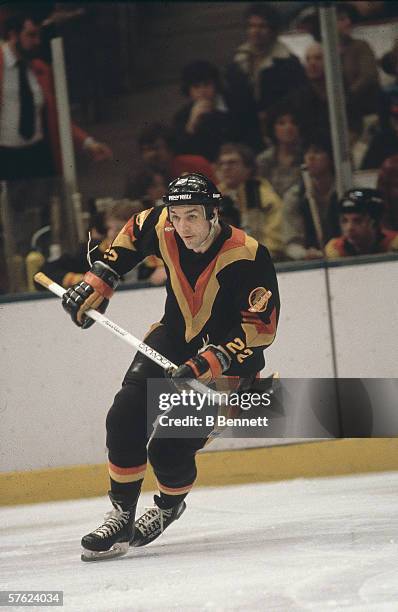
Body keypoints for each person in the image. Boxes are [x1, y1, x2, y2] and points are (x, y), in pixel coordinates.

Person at [61, 172, 280, 561]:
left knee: (168, 451)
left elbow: (261, 328)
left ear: (214, 214)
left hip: (229, 361)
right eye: (176, 216)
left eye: (193, 216)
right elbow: (131, 235)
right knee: (125, 414)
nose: (183, 227)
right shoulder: (160, 224)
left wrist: (211, 361)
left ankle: (167, 507)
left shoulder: (248, 254)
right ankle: (122, 515)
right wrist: (99, 283)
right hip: (173, 338)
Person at [0, 11, 112, 278]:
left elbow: (57, 113)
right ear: (13, 34)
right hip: (5, 153)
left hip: (36, 152)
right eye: (30, 35)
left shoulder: (39, 68)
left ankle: (41, 269)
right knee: (10, 218)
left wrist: (87, 142)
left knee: (45, 216)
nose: (35, 41)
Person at [225, 3, 306, 150]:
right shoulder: (237, 63)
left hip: (279, 134)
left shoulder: (289, 62)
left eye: (262, 26)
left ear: (272, 30)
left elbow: (296, 97)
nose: (256, 31)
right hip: (245, 134)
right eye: (252, 26)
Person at [216, 142, 283, 259]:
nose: (225, 168)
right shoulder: (212, 197)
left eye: (232, 163)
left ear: (248, 168)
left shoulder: (265, 197)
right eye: (222, 164)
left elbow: (276, 239)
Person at [171, 60, 236, 162]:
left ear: (215, 85)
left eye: (207, 84)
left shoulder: (234, 104)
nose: (202, 91)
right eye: (196, 87)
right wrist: (191, 125)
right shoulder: (182, 116)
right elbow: (181, 152)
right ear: (189, 90)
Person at [325, 188, 398, 257]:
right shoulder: (335, 249)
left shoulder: (394, 243)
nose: (349, 228)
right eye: (344, 221)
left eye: (357, 221)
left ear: (374, 223)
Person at [136, 122, 216, 183]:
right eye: (145, 150)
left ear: (170, 149)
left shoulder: (195, 164)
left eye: (155, 148)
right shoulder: (142, 179)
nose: (150, 155)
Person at [256, 104, 302, 200]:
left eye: (294, 123)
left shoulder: (307, 157)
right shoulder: (263, 160)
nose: (289, 127)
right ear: (273, 129)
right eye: (281, 123)